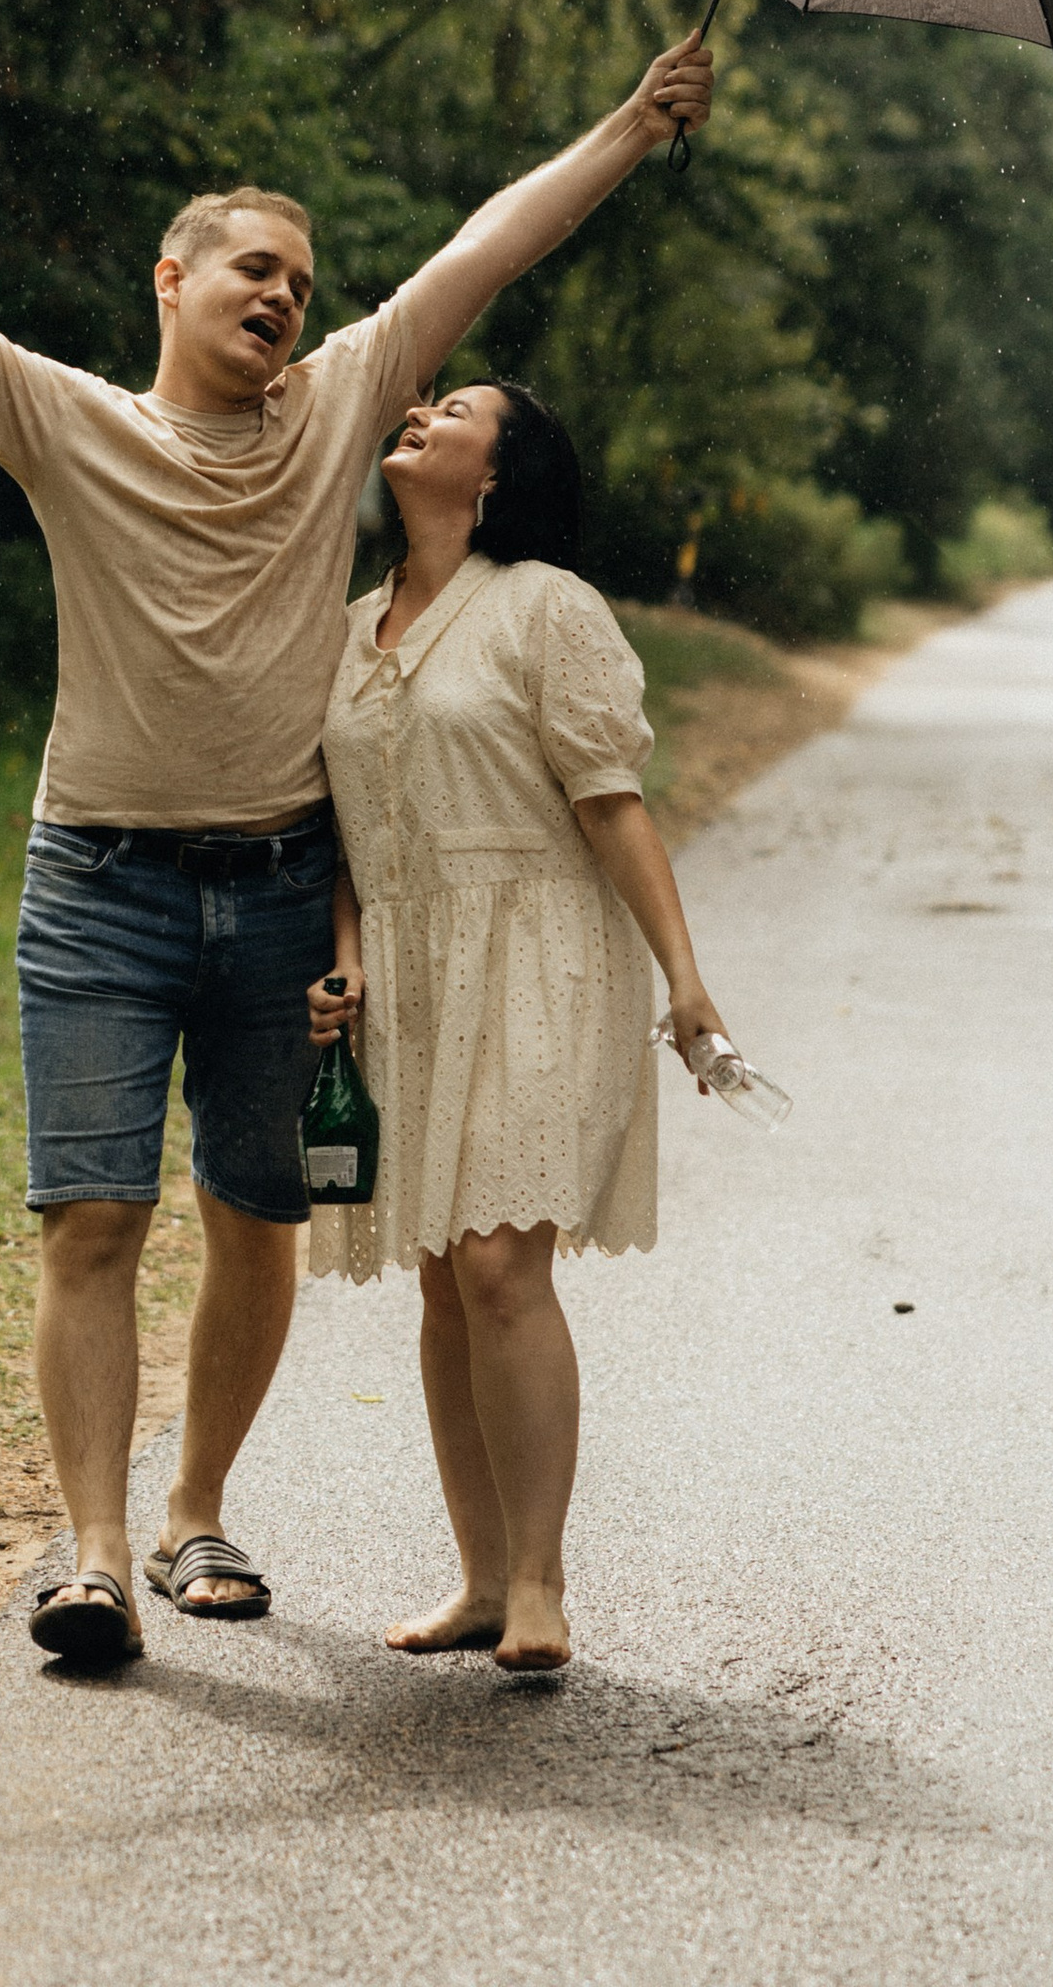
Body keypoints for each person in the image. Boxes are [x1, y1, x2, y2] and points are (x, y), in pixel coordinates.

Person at [0, 39, 714, 1667]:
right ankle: (92, 1555)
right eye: (254, 266)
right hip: (97, 881)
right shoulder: (57, 416)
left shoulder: (348, 405)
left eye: (302, 277)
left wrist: (635, 128)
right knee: (90, 1220)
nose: (286, 294)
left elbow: (492, 246)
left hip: (281, 884)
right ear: (173, 277)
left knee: (254, 1219)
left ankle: (192, 1503)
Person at [306, 375, 732, 1676]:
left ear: (502, 470)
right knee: (441, 1270)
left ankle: (541, 1581)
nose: (424, 411)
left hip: (539, 957)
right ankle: (481, 1579)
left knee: (497, 1265)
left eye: (462, 409)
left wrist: (687, 980)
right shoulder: (348, 623)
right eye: (424, 404)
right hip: (407, 978)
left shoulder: (551, 608)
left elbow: (611, 800)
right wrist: (342, 958)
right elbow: (338, 820)